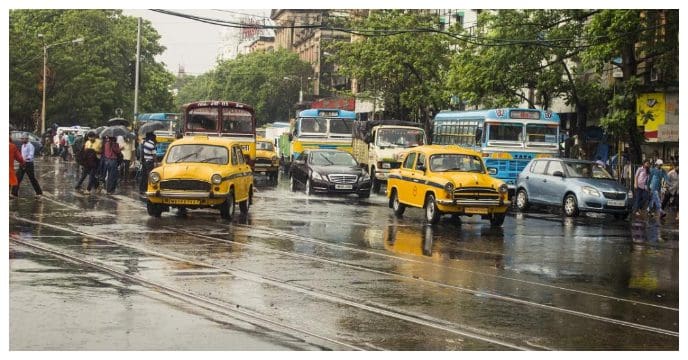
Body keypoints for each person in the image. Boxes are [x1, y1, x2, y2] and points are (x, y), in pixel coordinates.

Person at [12, 134, 43, 198]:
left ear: (27, 139)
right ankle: (14, 193)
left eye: (23, 139)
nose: (22, 140)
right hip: (22, 163)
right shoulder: (23, 145)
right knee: (18, 178)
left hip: (29, 164)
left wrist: (26, 159)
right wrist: (21, 160)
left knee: (32, 178)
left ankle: (39, 192)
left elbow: (31, 155)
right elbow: (22, 155)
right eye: (21, 139)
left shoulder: (30, 146)